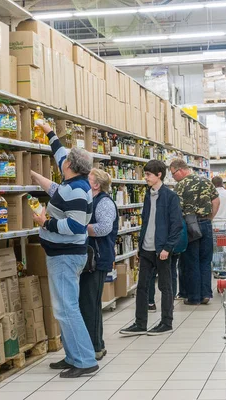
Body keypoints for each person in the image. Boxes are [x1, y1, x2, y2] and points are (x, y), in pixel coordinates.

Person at [30, 122, 98, 378]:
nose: (62, 161)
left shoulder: (78, 191)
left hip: (66, 257)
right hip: (63, 255)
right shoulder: (72, 180)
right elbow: (59, 153)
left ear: (70, 167)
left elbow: (76, 225)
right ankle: (73, 355)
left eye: (66, 160)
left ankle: (85, 360)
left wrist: (45, 222)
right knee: (64, 307)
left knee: (67, 308)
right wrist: (49, 132)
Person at [120, 160, 183, 336]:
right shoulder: (148, 195)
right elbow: (146, 222)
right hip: (146, 248)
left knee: (165, 286)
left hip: (162, 249)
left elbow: (176, 225)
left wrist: (168, 248)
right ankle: (140, 324)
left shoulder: (170, 197)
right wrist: (140, 246)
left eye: (148, 174)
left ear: (159, 175)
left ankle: (166, 322)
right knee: (142, 287)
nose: (145, 177)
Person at [79, 169, 118, 361]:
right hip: (90, 259)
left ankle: (95, 347)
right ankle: (96, 345)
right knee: (87, 303)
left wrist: (78, 228)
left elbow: (104, 228)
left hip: (97, 260)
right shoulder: (91, 200)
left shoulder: (104, 202)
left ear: (96, 185)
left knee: (90, 304)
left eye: (88, 180)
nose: (85, 183)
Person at [170, 159, 220, 305]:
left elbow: (176, 210)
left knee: (191, 261)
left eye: (173, 174)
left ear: (180, 170)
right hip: (205, 224)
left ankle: (193, 296)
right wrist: (209, 218)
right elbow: (216, 201)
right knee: (205, 260)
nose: (173, 177)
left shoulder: (179, 186)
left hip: (189, 226)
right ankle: (205, 294)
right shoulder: (206, 181)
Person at [148, 221, 188, 311]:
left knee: (152, 272)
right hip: (176, 243)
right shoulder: (176, 209)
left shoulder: (158, 209)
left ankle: (150, 302)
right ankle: (170, 303)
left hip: (160, 244)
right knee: (172, 271)